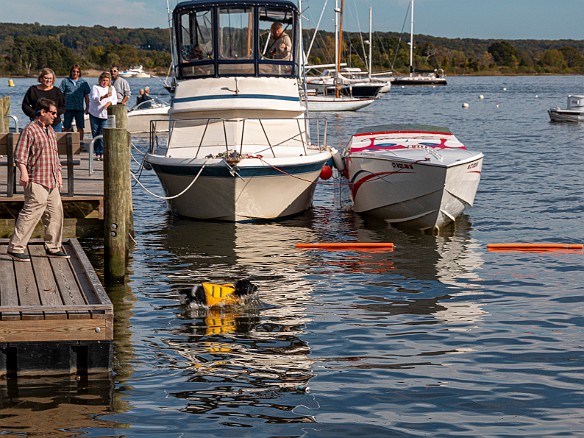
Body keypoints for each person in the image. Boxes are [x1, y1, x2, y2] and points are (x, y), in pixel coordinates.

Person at [7, 98, 69, 261]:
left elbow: (55, 156)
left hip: (52, 179)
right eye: (53, 113)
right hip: (36, 179)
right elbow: (20, 155)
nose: (55, 116)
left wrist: (59, 175)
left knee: (55, 213)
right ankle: (16, 247)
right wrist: (23, 173)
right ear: (42, 112)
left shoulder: (50, 131)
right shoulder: (30, 130)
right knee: (31, 212)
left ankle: (53, 247)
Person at [22, 68, 66, 132]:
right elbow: (25, 105)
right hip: (37, 123)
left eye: (50, 78)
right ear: (41, 78)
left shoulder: (57, 91)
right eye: (46, 78)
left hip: (55, 124)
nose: (48, 80)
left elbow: (63, 106)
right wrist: (34, 114)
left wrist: (55, 113)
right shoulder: (33, 90)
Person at [88, 71, 117, 161]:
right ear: (100, 80)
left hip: (105, 114)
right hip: (95, 113)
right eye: (103, 80)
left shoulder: (111, 88)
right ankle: (97, 152)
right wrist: (104, 97)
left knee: (102, 133)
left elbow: (114, 99)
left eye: (107, 80)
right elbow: (94, 98)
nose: (105, 82)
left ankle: (102, 152)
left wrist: (109, 102)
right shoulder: (95, 87)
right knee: (95, 133)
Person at [59, 64, 90, 143]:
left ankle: (80, 143)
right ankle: (66, 144)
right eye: (73, 71)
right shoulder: (65, 81)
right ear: (71, 72)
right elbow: (60, 94)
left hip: (79, 108)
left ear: (79, 73)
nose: (75, 73)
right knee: (67, 126)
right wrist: (61, 106)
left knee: (80, 127)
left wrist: (87, 107)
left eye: (77, 72)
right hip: (68, 108)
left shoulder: (83, 82)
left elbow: (86, 96)